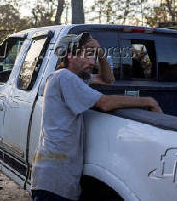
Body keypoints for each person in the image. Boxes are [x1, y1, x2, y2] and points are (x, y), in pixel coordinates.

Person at [30, 33, 163, 201]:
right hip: (54, 180)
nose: (92, 62)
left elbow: (108, 79)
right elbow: (104, 103)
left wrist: (100, 52)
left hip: (58, 178)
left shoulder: (74, 79)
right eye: (87, 55)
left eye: (93, 57)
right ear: (70, 55)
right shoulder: (64, 77)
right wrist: (148, 101)